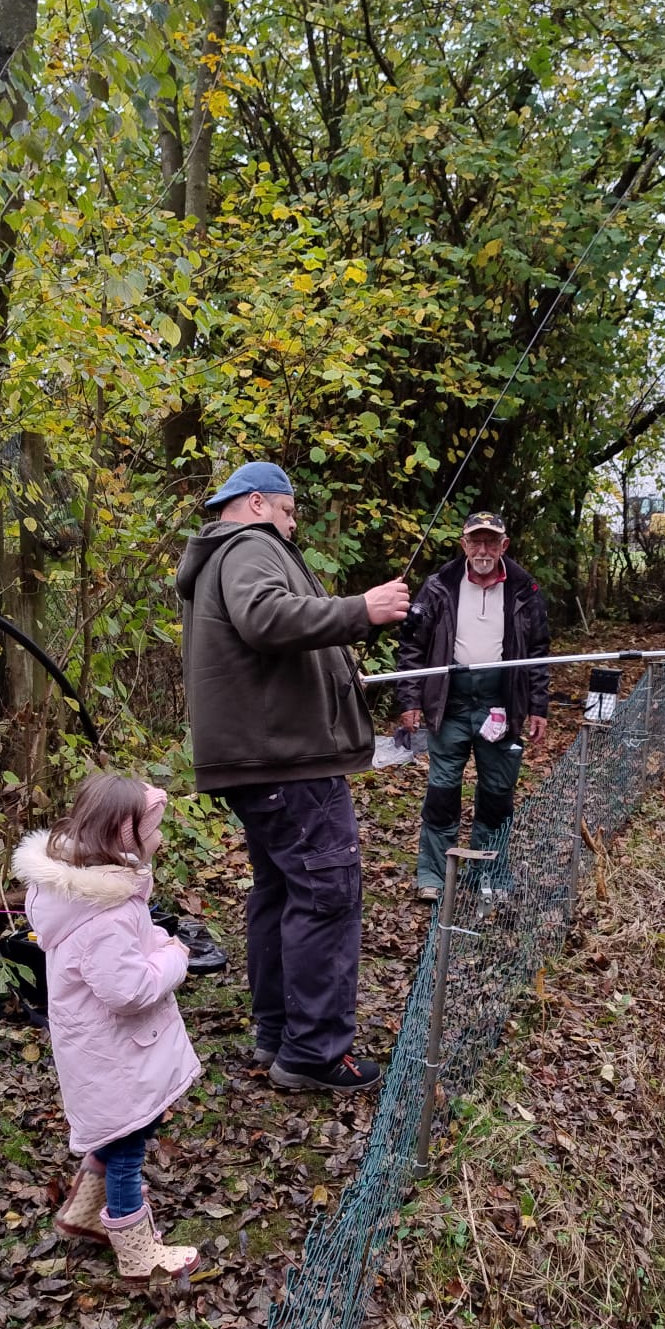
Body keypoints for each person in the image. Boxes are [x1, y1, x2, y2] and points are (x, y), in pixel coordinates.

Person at [176, 461, 410, 1095]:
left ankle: (280, 1033)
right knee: (326, 892)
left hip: (266, 759)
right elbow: (266, 619)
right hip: (285, 761)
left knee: (282, 890)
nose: (292, 524)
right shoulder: (249, 546)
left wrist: (338, 673)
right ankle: (313, 1052)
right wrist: (362, 609)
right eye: (287, 512)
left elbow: (264, 644)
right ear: (257, 503)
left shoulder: (224, 555)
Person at [14, 773, 202, 1280]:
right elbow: (128, 990)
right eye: (153, 829)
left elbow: (125, 949)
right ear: (125, 838)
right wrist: (175, 957)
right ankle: (137, 1254)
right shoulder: (105, 913)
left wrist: (154, 941)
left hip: (102, 1047)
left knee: (125, 1129)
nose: (160, 837)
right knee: (128, 1146)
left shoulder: (87, 891)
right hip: (113, 1053)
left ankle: (83, 1212)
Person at [396, 509, 550, 900]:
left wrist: (538, 706)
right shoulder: (439, 586)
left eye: (491, 542)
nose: (483, 550)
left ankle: (489, 874)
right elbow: (412, 646)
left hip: (501, 703)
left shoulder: (524, 589)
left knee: (497, 793)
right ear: (464, 545)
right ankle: (432, 876)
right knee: (442, 790)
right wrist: (410, 698)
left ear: (504, 545)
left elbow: (538, 652)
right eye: (476, 541)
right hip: (449, 701)